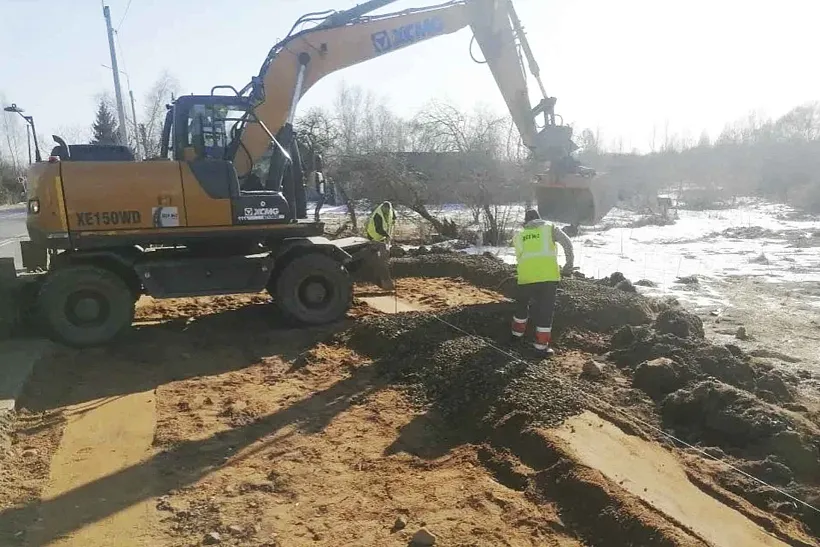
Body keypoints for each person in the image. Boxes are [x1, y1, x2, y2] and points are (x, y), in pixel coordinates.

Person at [511, 209, 575, 356]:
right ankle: (540, 347)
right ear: (539, 219)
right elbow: (567, 244)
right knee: (545, 311)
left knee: (522, 306)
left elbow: (520, 257)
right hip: (548, 277)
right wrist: (568, 267)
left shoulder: (519, 235)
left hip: (526, 277)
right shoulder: (549, 227)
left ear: (525, 222)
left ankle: (516, 336)